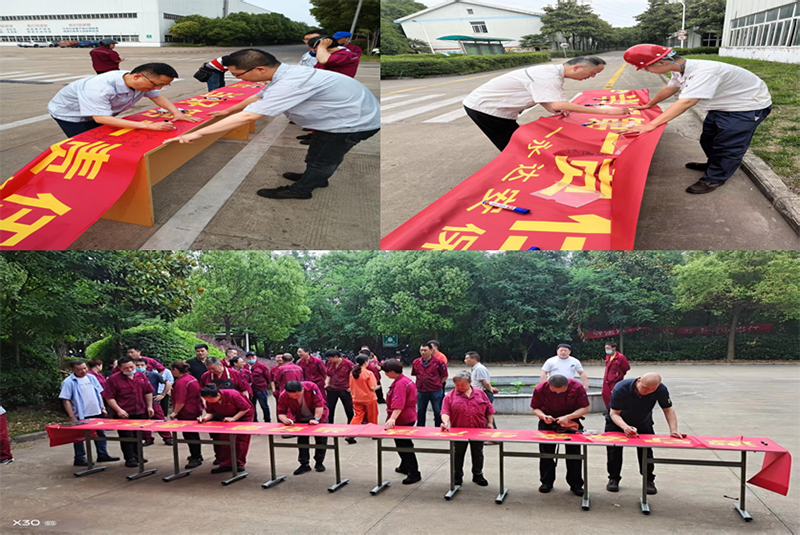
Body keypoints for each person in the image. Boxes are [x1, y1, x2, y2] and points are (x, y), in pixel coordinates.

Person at [164, 49, 380, 200]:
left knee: (323, 159)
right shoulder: (284, 74)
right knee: (319, 154)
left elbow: (249, 116)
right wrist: (227, 111)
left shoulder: (291, 82)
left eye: (239, 75)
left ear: (259, 69)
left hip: (350, 124)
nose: (239, 80)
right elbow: (258, 96)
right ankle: (314, 179)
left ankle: (302, 190)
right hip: (343, 118)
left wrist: (197, 134)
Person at [620, 45, 773, 194]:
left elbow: (687, 101)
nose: (647, 71)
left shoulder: (704, 72)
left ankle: (715, 178)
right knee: (708, 139)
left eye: (646, 68)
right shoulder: (679, 69)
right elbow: (670, 88)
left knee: (728, 145)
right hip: (722, 106)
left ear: (661, 62)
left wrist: (650, 125)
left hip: (745, 107)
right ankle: (713, 165)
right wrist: (649, 104)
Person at [462, 56, 630, 151]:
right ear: (577, 68)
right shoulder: (548, 77)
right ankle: (518, 172)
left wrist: (551, 107)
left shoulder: (551, 72)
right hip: (486, 109)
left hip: (494, 107)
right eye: (593, 73)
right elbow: (559, 104)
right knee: (513, 144)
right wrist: (607, 111)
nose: (591, 77)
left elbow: (543, 97)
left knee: (518, 140)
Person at [47, 63, 201, 138]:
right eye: (156, 84)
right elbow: (101, 118)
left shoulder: (141, 82)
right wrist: (149, 126)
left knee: (107, 137)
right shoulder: (99, 87)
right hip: (71, 114)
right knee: (87, 141)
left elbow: (157, 97)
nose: (158, 88)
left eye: (163, 85)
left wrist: (176, 113)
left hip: (101, 112)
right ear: (137, 76)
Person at [605, 373, 685, 495]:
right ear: (639, 381)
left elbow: (668, 409)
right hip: (617, 422)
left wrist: (673, 429)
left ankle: (648, 480)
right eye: (645, 388)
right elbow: (614, 413)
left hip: (643, 421)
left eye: (652, 390)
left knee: (646, 451)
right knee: (613, 450)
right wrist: (625, 427)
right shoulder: (621, 388)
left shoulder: (661, 389)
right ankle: (613, 478)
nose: (647, 392)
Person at [530, 374, 591, 496]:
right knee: (546, 453)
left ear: (567, 385)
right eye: (554, 391)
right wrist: (543, 416)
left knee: (574, 454)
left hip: (571, 422)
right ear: (549, 385)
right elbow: (535, 408)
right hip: (547, 422)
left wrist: (568, 417)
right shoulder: (540, 389)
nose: (558, 393)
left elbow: (585, 408)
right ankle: (546, 482)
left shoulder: (577, 387)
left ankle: (576, 484)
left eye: (562, 391)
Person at [59, 360, 119, 466]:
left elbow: (99, 393)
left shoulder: (92, 378)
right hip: (81, 414)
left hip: (96, 412)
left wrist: (102, 407)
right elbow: (66, 400)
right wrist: (72, 416)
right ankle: (79, 457)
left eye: (84, 368)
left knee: (100, 434)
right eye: (79, 369)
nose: (83, 371)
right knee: (79, 437)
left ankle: (102, 454)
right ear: (73, 370)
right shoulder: (68, 382)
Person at [441, 371, 494, 487]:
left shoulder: (480, 393)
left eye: (463, 385)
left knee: (478, 453)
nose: (460, 387)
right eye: (457, 385)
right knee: (458, 454)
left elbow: (489, 409)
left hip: (478, 429)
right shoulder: (450, 396)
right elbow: (445, 411)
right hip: (459, 431)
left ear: (470, 383)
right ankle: (457, 476)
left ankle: (478, 474)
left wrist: (490, 423)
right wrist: (446, 422)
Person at [102, 356, 154, 467]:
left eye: (131, 367)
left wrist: (149, 406)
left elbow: (148, 392)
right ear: (120, 368)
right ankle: (130, 458)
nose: (129, 370)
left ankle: (138, 455)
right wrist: (119, 410)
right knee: (127, 437)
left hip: (140, 411)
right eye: (126, 368)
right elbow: (109, 397)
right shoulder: (113, 379)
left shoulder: (141, 376)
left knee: (139, 436)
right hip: (124, 413)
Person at [277, 380, 330, 475]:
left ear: (302, 389)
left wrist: (316, 419)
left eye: (297, 395)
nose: (294, 397)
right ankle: (304, 464)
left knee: (321, 439)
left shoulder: (311, 387)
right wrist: (285, 419)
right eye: (292, 396)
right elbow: (281, 412)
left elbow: (319, 405)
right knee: (302, 441)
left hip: (319, 416)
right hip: (300, 418)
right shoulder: (283, 395)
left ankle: (319, 462)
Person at [199, 383, 254, 474]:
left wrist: (234, 419)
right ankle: (226, 464)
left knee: (241, 440)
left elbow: (245, 408)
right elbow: (211, 412)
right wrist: (205, 418)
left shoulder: (233, 395)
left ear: (218, 395)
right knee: (225, 439)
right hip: (227, 418)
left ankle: (239, 463)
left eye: (210, 399)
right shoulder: (210, 400)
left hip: (243, 416)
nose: (208, 401)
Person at [383, 359, 421, 484]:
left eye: (386, 372)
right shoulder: (406, 380)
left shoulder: (400, 384)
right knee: (402, 444)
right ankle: (404, 466)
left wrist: (392, 419)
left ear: (392, 371)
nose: (385, 374)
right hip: (408, 416)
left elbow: (398, 404)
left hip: (402, 418)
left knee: (404, 446)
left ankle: (414, 473)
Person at [169, 361, 205, 469]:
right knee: (193, 435)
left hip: (187, 412)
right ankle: (197, 454)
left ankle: (195, 457)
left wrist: (175, 412)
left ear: (176, 370)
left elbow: (180, 400)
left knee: (190, 436)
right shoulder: (192, 378)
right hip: (195, 409)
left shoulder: (181, 382)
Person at [132, 357, 172, 446]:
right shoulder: (133, 376)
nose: (140, 367)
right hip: (140, 402)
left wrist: (162, 394)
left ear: (146, 366)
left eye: (142, 365)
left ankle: (168, 437)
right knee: (144, 421)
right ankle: (148, 438)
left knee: (160, 419)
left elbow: (168, 383)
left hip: (154, 401)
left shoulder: (153, 375)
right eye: (137, 365)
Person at [412, 343, 448, 427]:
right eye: (421, 350)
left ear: (431, 351)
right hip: (421, 390)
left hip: (435, 390)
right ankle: (420, 428)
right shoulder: (416, 362)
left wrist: (436, 383)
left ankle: (438, 427)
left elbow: (444, 376)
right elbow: (415, 374)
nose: (423, 352)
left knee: (437, 411)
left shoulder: (439, 362)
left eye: (425, 350)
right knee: (420, 411)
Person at [465, 351, 499, 428]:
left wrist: (490, 390)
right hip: (480, 393)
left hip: (483, 394)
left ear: (474, 359)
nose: (465, 360)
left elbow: (485, 382)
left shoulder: (479, 368)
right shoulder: (476, 368)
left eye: (467, 358)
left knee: (485, 413)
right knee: (484, 413)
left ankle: (492, 431)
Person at [349, 355, 379, 439]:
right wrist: (378, 387)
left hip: (356, 398)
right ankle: (374, 433)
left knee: (358, 416)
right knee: (372, 416)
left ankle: (350, 433)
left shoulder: (352, 373)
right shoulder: (368, 373)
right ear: (366, 362)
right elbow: (372, 387)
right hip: (369, 398)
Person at [324, 349, 355, 426]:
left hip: (344, 388)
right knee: (330, 408)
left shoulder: (348, 363)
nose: (329, 360)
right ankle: (329, 424)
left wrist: (352, 386)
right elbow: (328, 374)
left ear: (336, 357)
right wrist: (326, 383)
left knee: (348, 408)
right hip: (332, 388)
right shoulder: (330, 363)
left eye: (330, 358)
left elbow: (355, 376)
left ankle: (351, 425)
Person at [602, 342, 631, 409]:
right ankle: (608, 409)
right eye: (605, 348)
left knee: (615, 395)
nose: (606, 350)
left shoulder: (620, 357)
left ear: (613, 348)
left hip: (615, 380)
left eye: (608, 348)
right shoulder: (608, 356)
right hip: (607, 379)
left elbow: (626, 367)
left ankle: (615, 409)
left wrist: (619, 375)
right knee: (605, 395)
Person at [245, 351, 272, 423]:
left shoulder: (262, 366)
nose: (251, 359)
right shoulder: (244, 367)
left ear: (256, 357)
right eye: (249, 357)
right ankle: (254, 421)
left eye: (253, 357)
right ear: (246, 358)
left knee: (264, 405)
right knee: (252, 406)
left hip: (261, 389)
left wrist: (264, 385)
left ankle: (267, 420)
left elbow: (268, 377)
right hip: (250, 390)